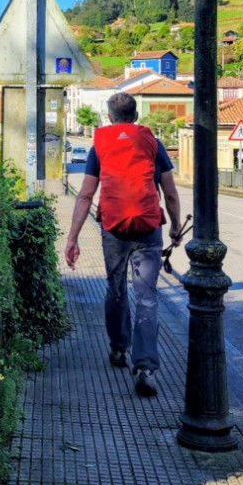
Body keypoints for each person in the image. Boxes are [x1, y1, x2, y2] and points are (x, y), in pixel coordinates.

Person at [64, 92, 183, 398]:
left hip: (113, 228)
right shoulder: (153, 144)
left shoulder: (100, 145)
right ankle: (145, 368)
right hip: (148, 227)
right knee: (146, 297)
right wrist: (176, 227)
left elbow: (86, 195)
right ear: (136, 116)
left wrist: (72, 237)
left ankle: (119, 348)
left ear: (109, 117)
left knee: (116, 288)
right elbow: (169, 192)